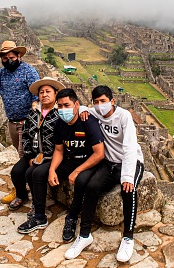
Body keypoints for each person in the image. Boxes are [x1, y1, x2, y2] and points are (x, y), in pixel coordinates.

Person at [65, 85, 144, 262]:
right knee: (92, 187)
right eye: (96, 102)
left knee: (128, 190)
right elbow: (83, 108)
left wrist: (127, 177)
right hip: (109, 164)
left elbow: (130, 147)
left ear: (112, 101)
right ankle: (84, 235)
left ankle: (128, 237)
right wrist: (85, 109)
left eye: (103, 101)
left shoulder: (124, 116)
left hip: (130, 162)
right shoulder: (95, 113)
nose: (100, 105)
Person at [17, 88, 105, 237]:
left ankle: (71, 218)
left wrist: (77, 171)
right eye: (60, 106)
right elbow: (59, 151)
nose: (63, 109)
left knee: (81, 181)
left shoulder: (87, 122)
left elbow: (99, 153)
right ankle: (39, 216)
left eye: (67, 105)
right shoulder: (60, 124)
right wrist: (52, 170)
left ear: (76, 105)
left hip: (87, 162)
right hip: (69, 160)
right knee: (38, 173)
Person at [0, 40, 39, 204]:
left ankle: (21, 191)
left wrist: (34, 109)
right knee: (19, 153)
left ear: (19, 56)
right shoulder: (1, 74)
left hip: (27, 122)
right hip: (12, 122)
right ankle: (25, 186)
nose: (8, 60)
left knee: (24, 156)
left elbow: (36, 91)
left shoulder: (28, 71)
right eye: (5, 58)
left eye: (11, 57)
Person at [7, 77, 65, 210]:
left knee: (33, 173)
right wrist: (29, 156)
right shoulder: (33, 113)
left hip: (51, 155)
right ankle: (22, 195)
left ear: (55, 93)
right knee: (16, 172)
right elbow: (26, 135)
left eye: (48, 91)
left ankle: (37, 203)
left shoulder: (60, 113)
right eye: (41, 92)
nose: (44, 95)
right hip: (34, 153)